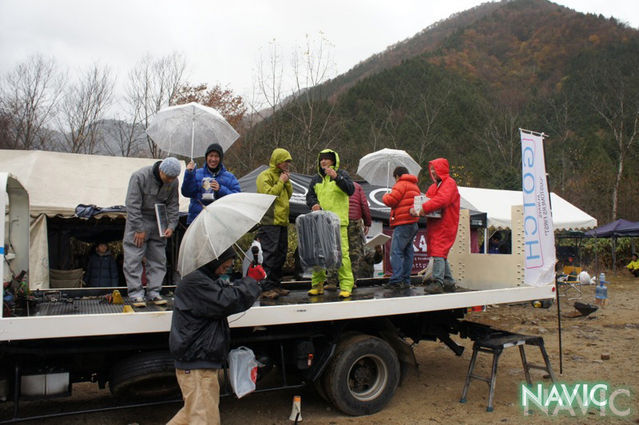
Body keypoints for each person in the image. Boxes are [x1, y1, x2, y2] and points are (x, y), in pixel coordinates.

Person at [168, 247, 266, 425]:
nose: (225, 270)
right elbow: (226, 301)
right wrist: (251, 281)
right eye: (224, 266)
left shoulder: (203, 280)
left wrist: (248, 280)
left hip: (197, 362)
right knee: (205, 419)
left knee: (191, 414)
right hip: (197, 363)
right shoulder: (195, 283)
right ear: (213, 261)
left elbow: (224, 290)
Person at [123, 157, 180, 307]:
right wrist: (138, 228)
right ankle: (136, 293)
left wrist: (171, 225)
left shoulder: (173, 182)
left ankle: (154, 292)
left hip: (159, 221)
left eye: (173, 178)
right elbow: (132, 204)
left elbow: (173, 205)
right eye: (168, 177)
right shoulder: (139, 177)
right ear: (161, 170)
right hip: (138, 220)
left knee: (158, 258)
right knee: (133, 257)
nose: (170, 181)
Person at [306, 149, 355, 298]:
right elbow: (309, 196)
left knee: (342, 255)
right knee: (317, 254)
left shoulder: (342, 174)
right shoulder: (316, 179)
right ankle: (318, 285)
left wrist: (337, 177)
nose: (323, 161)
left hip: (338, 222)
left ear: (333, 161)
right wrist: (313, 204)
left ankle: (346, 286)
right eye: (321, 159)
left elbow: (351, 190)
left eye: (326, 159)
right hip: (321, 222)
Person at [410, 158, 460, 294]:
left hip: (446, 223)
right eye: (432, 169)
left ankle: (437, 282)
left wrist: (422, 209)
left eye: (435, 169)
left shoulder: (450, 184)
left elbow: (441, 200)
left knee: (439, 250)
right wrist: (415, 208)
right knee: (439, 252)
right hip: (435, 223)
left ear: (442, 170)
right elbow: (426, 200)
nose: (433, 171)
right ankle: (449, 281)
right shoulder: (434, 187)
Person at [255, 148, 293, 299]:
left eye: (289, 161)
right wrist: (281, 182)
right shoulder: (264, 176)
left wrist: (286, 182)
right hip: (270, 221)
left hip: (282, 221)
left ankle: (276, 285)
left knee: (281, 255)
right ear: (278, 161)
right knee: (270, 255)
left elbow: (288, 194)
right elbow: (269, 195)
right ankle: (265, 287)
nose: (287, 164)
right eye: (285, 161)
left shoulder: (282, 176)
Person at [326, 181, 373, 289]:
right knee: (353, 253)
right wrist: (367, 222)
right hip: (354, 221)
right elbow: (364, 204)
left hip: (337, 220)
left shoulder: (332, 183)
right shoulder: (357, 186)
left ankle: (332, 281)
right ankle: (351, 282)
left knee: (335, 250)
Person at [181, 143, 241, 225]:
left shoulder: (230, 177)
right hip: (197, 221)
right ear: (206, 157)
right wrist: (189, 174)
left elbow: (237, 198)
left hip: (220, 222)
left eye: (216, 156)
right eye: (211, 155)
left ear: (220, 158)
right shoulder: (196, 173)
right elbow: (187, 193)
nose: (213, 159)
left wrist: (220, 189)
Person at [382, 166, 421, 289]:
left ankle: (396, 280)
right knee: (408, 252)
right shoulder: (415, 186)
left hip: (403, 223)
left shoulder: (400, 184)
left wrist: (385, 196)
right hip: (413, 223)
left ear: (397, 176)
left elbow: (391, 201)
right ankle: (406, 280)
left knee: (396, 252)